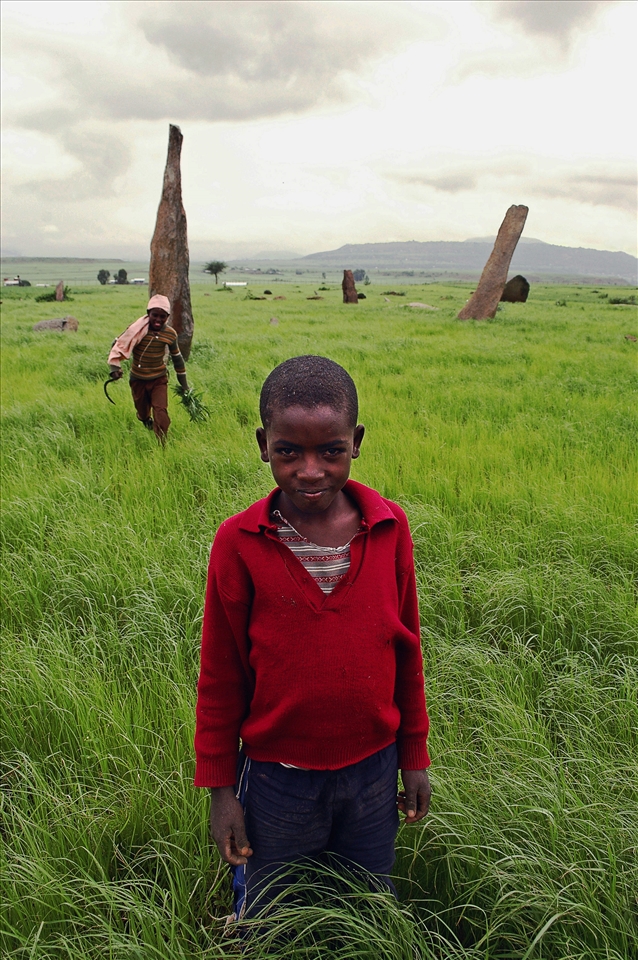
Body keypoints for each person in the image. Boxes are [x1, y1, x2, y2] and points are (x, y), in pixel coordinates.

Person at [194, 355, 431, 922]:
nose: (310, 470)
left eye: (331, 450)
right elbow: (220, 674)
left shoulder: (389, 528)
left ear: (357, 442)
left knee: (369, 906)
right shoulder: (239, 542)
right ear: (262, 444)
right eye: (287, 451)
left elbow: (407, 651)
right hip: (278, 778)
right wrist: (222, 791)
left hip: (374, 772)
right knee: (273, 914)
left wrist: (414, 755)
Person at [107, 294, 189, 441]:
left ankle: (162, 445)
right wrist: (115, 369)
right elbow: (117, 345)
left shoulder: (170, 334)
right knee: (143, 412)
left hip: (159, 380)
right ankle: (145, 420)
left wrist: (185, 386)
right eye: (155, 315)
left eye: (162, 317)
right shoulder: (136, 330)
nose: (158, 320)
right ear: (148, 314)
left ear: (168, 317)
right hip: (138, 380)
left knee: (161, 411)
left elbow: (178, 359)